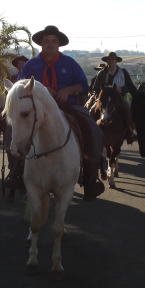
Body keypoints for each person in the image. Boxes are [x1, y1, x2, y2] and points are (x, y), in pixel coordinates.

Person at [11, 25, 105, 201]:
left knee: (93, 129)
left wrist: (68, 90)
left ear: (59, 44)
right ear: (41, 44)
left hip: (66, 106)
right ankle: (14, 172)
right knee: (15, 127)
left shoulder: (70, 63)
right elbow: (18, 86)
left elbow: (83, 84)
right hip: (37, 109)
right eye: (46, 41)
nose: (50, 44)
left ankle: (91, 177)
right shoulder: (31, 65)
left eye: (54, 41)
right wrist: (42, 89)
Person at [94, 52, 137, 143]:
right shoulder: (101, 73)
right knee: (91, 111)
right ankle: (89, 130)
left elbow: (129, 86)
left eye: (113, 59)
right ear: (106, 61)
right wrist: (99, 97)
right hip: (103, 98)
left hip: (119, 97)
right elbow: (96, 88)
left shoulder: (123, 72)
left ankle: (130, 132)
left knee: (128, 110)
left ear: (116, 61)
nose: (111, 61)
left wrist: (121, 89)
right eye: (109, 59)